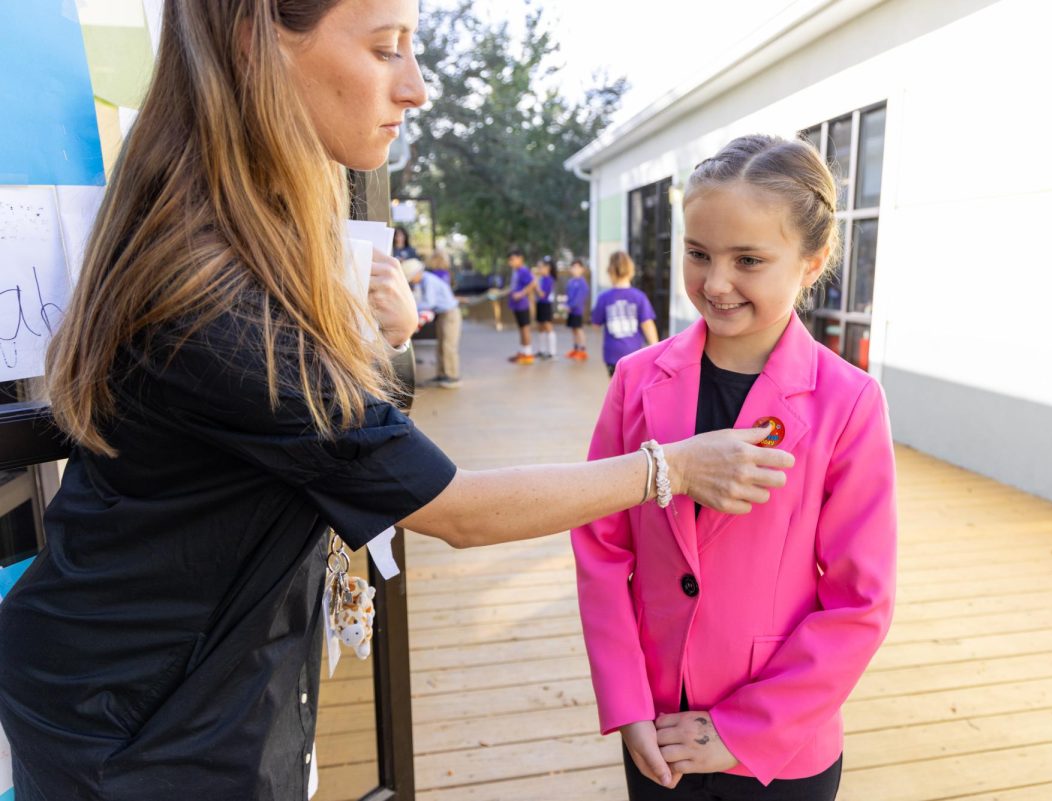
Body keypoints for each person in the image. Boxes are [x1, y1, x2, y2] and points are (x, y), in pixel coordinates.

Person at [0, 4, 799, 799]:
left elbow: (303, 437)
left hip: (164, 679)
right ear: (256, 42)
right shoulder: (226, 308)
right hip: (138, 729)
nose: (415, 88)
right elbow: (455, 509)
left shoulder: (217, 238)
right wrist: (670, 467)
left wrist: (379, 349)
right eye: (387, 49)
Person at [572, 134, 898, 800]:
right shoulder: (636, 381)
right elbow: (600, 548)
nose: (715, 283)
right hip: (657, 728)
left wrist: (746, 728)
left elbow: (859, 598)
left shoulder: (849, 402)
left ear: (813, 260)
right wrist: (626, 699)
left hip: (782, 744)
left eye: (747, 259)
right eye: (698, 254)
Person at [591, 251, 659, 377]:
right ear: (631, 271)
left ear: (610, 272)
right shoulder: (639, 297)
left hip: (612, 354)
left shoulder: (603, 298)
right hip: (635, 354)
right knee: (633, 390)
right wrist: (657, 350)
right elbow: (648, 326)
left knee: (616, 390)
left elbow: (595, 325)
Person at [402, 258, 462, 389]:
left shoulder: (429, 281)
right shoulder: (423, 281)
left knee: (448, 346)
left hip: (450, 314)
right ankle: (442, 374)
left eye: (411, 278)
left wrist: (413, 310)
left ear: (417, 273)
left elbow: (429, 303)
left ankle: (452, 376)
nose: (411, 281)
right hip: (442, 314)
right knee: (441, 345)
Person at [505, 248, 537, 364]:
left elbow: (533, 283)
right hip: (516, 305)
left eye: (513, 259)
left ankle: (528, 354)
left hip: (523, 305)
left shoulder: (524, 270)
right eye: (509, 260)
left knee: (525, 329)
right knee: (521, 329)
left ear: (520, 259)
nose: (511, 262)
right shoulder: (516, 271)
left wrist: (521, 293)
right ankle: (523, 351)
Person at [533, 254, 558, 360]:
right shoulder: (541, 278)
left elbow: (543, 294)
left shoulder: (549, 279)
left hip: (546, 305)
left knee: (548, 326)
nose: (539, 269)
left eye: (541, 267)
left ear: (548, 268)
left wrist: (535, 286)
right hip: (540, 304)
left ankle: (552, 352)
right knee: (540, 327)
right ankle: (541, 350)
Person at [565, 258, 590, 360]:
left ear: (582, 269)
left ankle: (582, 350)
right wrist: (567, 305)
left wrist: (571, 306)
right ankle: (575, 349)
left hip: (577, 311)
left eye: (577, 267)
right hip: (570, 310)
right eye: (573, 267)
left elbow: (579, 298)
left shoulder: (582, 283)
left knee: (579, 329)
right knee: (574, 329)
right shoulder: (570, 282)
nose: (575, 269)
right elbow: (568, 295)